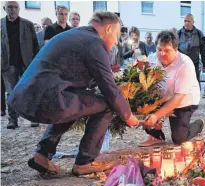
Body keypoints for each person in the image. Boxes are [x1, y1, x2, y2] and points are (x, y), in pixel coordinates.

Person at [7, 11, 139, 175]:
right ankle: (85, 161)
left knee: (77, 102)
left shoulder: (77, 35)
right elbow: (110, 89)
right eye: (117, 35)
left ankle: (42, 154)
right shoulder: (94, 43)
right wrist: (128, 116)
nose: (115, 42)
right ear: (109, 29)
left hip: (27, 97)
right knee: (107, 105)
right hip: (45, 98)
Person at [139, 31, 203, 147]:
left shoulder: (185, 64)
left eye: (167, 50)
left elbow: (178, 97)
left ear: (176, 49)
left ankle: (199, 125)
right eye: (159, 49)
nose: (162, 54)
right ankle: (156, 136)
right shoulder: (151, 60)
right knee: (142, 108)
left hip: (183, 101)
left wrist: (156, 115)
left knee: (179, 139)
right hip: (161, 97)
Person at [1, 1, 40, 129]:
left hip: (27, 64)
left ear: (19, 9)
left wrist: (36, 63)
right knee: (11, 93)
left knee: (30, 91)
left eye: (15, 7)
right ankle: (12, 120)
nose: (13, 10)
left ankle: (33, 118)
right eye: (10, 7)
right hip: (8, 64)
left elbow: (35, 44)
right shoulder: (0, 24)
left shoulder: (28, 24)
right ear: (4, 8)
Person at [177, 14, 205, 84]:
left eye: (188, 21)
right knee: (181, 83)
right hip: (181, 64)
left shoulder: (199, 34)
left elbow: (203, 50)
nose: (186, 23)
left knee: (195, 83)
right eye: (185, 21)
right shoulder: (179, 33)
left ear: (193, 22)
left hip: (194, 64)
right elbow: (174, 50)